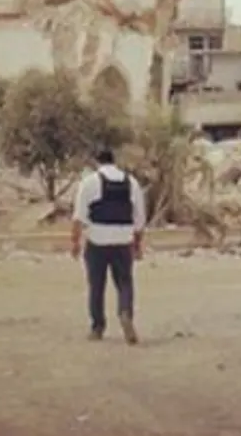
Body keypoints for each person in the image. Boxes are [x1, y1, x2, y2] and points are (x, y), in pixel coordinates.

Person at [70, 147, 146, 344]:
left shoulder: (89, 182)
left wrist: (75, 243)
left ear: (97, 162)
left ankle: (97, 327)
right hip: (123, 240)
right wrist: (137, 245)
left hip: (97, 240)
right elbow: (139, 218)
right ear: (114, 161)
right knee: (125, 283)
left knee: (97, 285)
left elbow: (79, 217)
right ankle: (125, 313)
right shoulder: (131, 183)